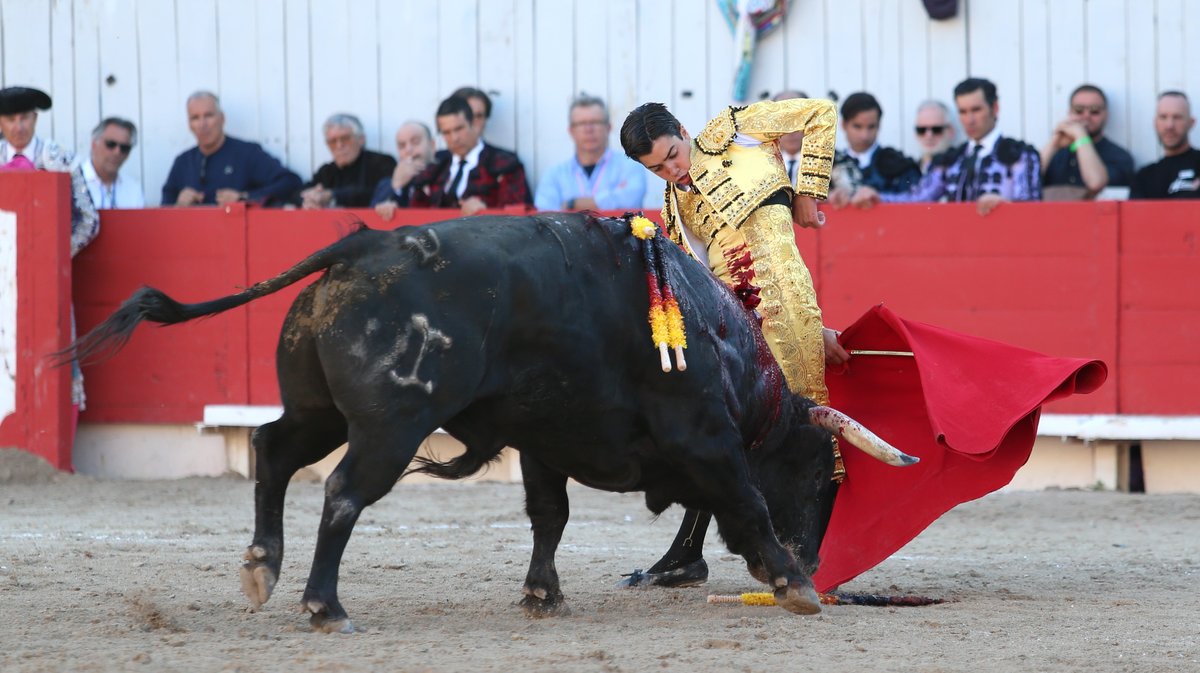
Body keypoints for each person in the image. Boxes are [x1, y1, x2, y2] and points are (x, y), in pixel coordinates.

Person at [617, 97, 848, 587]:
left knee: (808, 429)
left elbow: (820, 114)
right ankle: (692, 554)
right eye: (656, 168)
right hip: (741, 336)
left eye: (673, 154)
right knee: (721, 432)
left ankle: (811, 560)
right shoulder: (674, 208)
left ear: (684, 131)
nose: (672, 170)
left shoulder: (735, 131)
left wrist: (808, 192)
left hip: (792, 317)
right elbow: (706, 289)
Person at [0, 86, 100, 440]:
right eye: (10, 119)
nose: (19, 126)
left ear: (35, 118)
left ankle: (58, 453)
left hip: (47, 282)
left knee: (58, 358)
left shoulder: (59, 159)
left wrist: (51, 256)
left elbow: (89, 220)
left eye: (24, 118)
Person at [879, 77, 1041, 215]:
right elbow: (917, 199)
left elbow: (1031, 209)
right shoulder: (951, 160)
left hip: (1003, 239)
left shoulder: (1020, 156)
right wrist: (876, 198)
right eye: (963, 112)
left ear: (995, 108)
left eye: (976, 110)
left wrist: (1005, 205)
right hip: (957, 241)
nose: (969, 120)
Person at [161, 91, 301, 207]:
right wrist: (179, 205)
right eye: (195, 118)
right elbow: (163, 214)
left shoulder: (247, 154)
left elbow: (290, 182)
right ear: (189, 124)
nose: (202, 124)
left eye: (208, 115)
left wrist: (244, 198)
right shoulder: (183, 162)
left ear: (222, 118)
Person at [409, 95, 532, 215]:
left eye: (459, 129)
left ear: (473, 124)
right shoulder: (434, 165)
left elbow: (515, 215)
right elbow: (414, 213)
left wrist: (485, 211)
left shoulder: (505, 163)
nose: (454, 138)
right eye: (446, 132)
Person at [534, 95, 647, 211]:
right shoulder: (554, 175)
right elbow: (545, 215)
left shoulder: (630, 166)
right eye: (581, 123)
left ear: (608, 128)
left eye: (595, 122)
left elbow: (630, 201)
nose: (588, 129)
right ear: (571, 131)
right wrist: (610, 198)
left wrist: (571, 204)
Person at [825, 92, 922, 209]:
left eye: (871, 127)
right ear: (844, 125)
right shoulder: (827, 166)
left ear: (879, 125)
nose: (864, 135)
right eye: (857, 126)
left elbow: (917, 200)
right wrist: (828, 197)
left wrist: (881, 197)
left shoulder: (900, 165)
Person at [1040, 84, 1136, 198]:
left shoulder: (1119, 156)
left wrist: (1081, 136)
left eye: (1094, 111)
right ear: (1070, 113)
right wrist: (1053, 144)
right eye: (1079, 110)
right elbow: (1027, 182)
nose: (1086, 116)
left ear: (1106, 115)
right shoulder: (1056, 154)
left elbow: (1095, 183)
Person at [296, 113, 396, 209]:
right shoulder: (326, 171)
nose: (339, 145)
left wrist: (332, 196)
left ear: (361, 139)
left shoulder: (382, 162)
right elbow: (296, 194)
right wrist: (309, 198)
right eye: (333, 141)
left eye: (345, 138)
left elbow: (380, 193)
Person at [1130, 91, 1200, 199]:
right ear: (1155, 122)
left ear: (1191, 123)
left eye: (1177, 117)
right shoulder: (1144, 177)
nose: (1169, 125)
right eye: (1163, 117)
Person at [371, 121, 436, 221]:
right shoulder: (386, 185)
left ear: (432, 145)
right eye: (402, 146)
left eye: (415, 142)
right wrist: (396, 186)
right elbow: (371, 216)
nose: (408, 150)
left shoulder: (448, 174)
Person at [80, 117, 145, 209]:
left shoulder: (133, 190)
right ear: (94, 144)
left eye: (124, 148)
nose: (117, 152)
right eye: (110, 144)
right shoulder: (71, 184)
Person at [772, 89, 809, 187]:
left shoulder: (832, 163)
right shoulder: (759, 164)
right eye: (783, 122)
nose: (791, 131)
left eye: (797, 121)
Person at [913, 100, 957, 174]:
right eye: (921, 130)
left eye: (936, 130)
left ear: (950, 132)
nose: (929, 136)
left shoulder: (962, 168)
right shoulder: (909, 171)